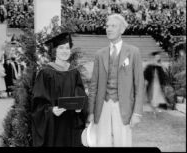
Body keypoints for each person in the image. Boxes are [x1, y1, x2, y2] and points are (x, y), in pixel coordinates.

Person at [87, 14, 144, 147]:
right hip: (103, 105)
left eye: (113, 26)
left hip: (123, 106)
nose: (109, 29)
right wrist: (90, 112)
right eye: (107, 26)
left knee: (123, 143)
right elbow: (93, 86)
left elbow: (139, 85)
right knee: (101, 143)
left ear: (122, 30)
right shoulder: (99, 54)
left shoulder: (134, 52)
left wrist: (137, 113)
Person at [31, 32, 88, 147]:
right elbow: (38, 102)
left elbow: (80, 95)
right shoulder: (46, 73)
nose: (65, 51)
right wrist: (51, 110)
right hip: (53, 125)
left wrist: (80, 108)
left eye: (67, 48)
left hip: (71, 124)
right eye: (61, 48)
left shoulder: (74, 72)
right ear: (54, 51)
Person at [144, 51, 168, 115]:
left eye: (158, 57)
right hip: (151, 83)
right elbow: (145, 73)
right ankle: (154, 109)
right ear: (154, 57)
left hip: (158, 84)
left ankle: (155, 109)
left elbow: (163, 75)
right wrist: (145, 80)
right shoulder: (150, 66)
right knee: (152, 96)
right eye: (156, 57)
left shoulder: (160, 66)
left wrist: (164, 83)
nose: (158, 58)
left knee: (157, 96)